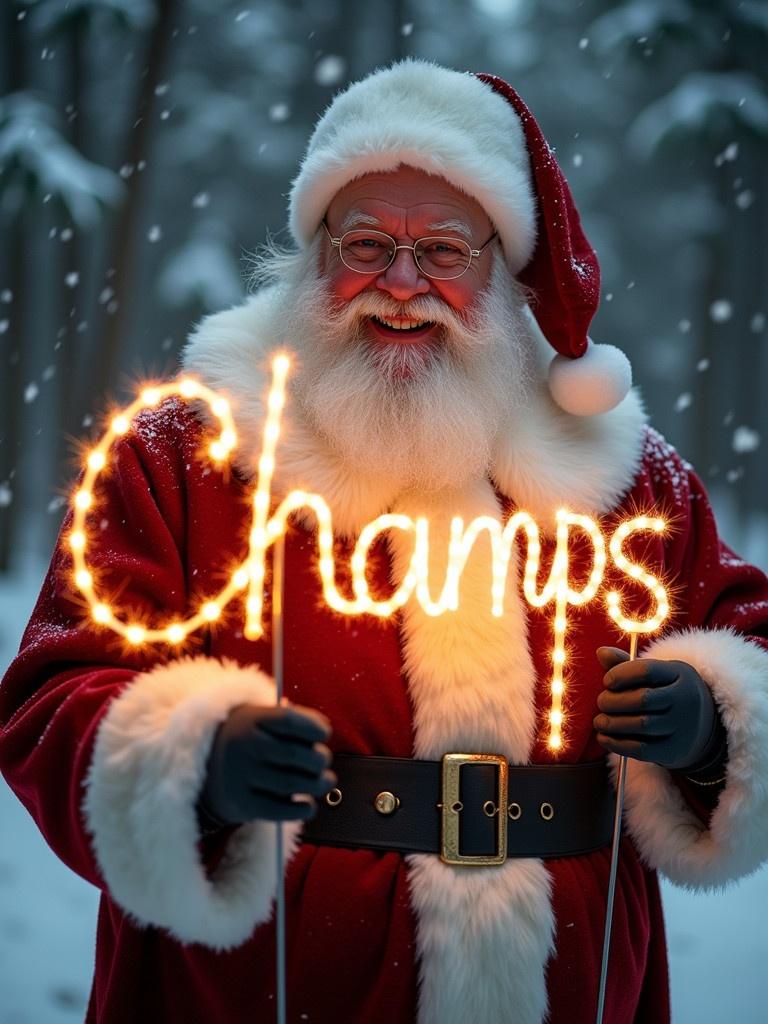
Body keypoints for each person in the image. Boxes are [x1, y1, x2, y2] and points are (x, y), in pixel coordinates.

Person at [1, 59, 767, 1024]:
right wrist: (189, 761)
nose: (402, 285)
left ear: (504, 268)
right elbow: (51, 690)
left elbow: (755, 643)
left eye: (445, 251)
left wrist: (715, 724)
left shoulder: (623, 473)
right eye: (366, 242)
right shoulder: (187, 452)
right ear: (313, 254)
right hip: (250, 983)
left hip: (570, 985)